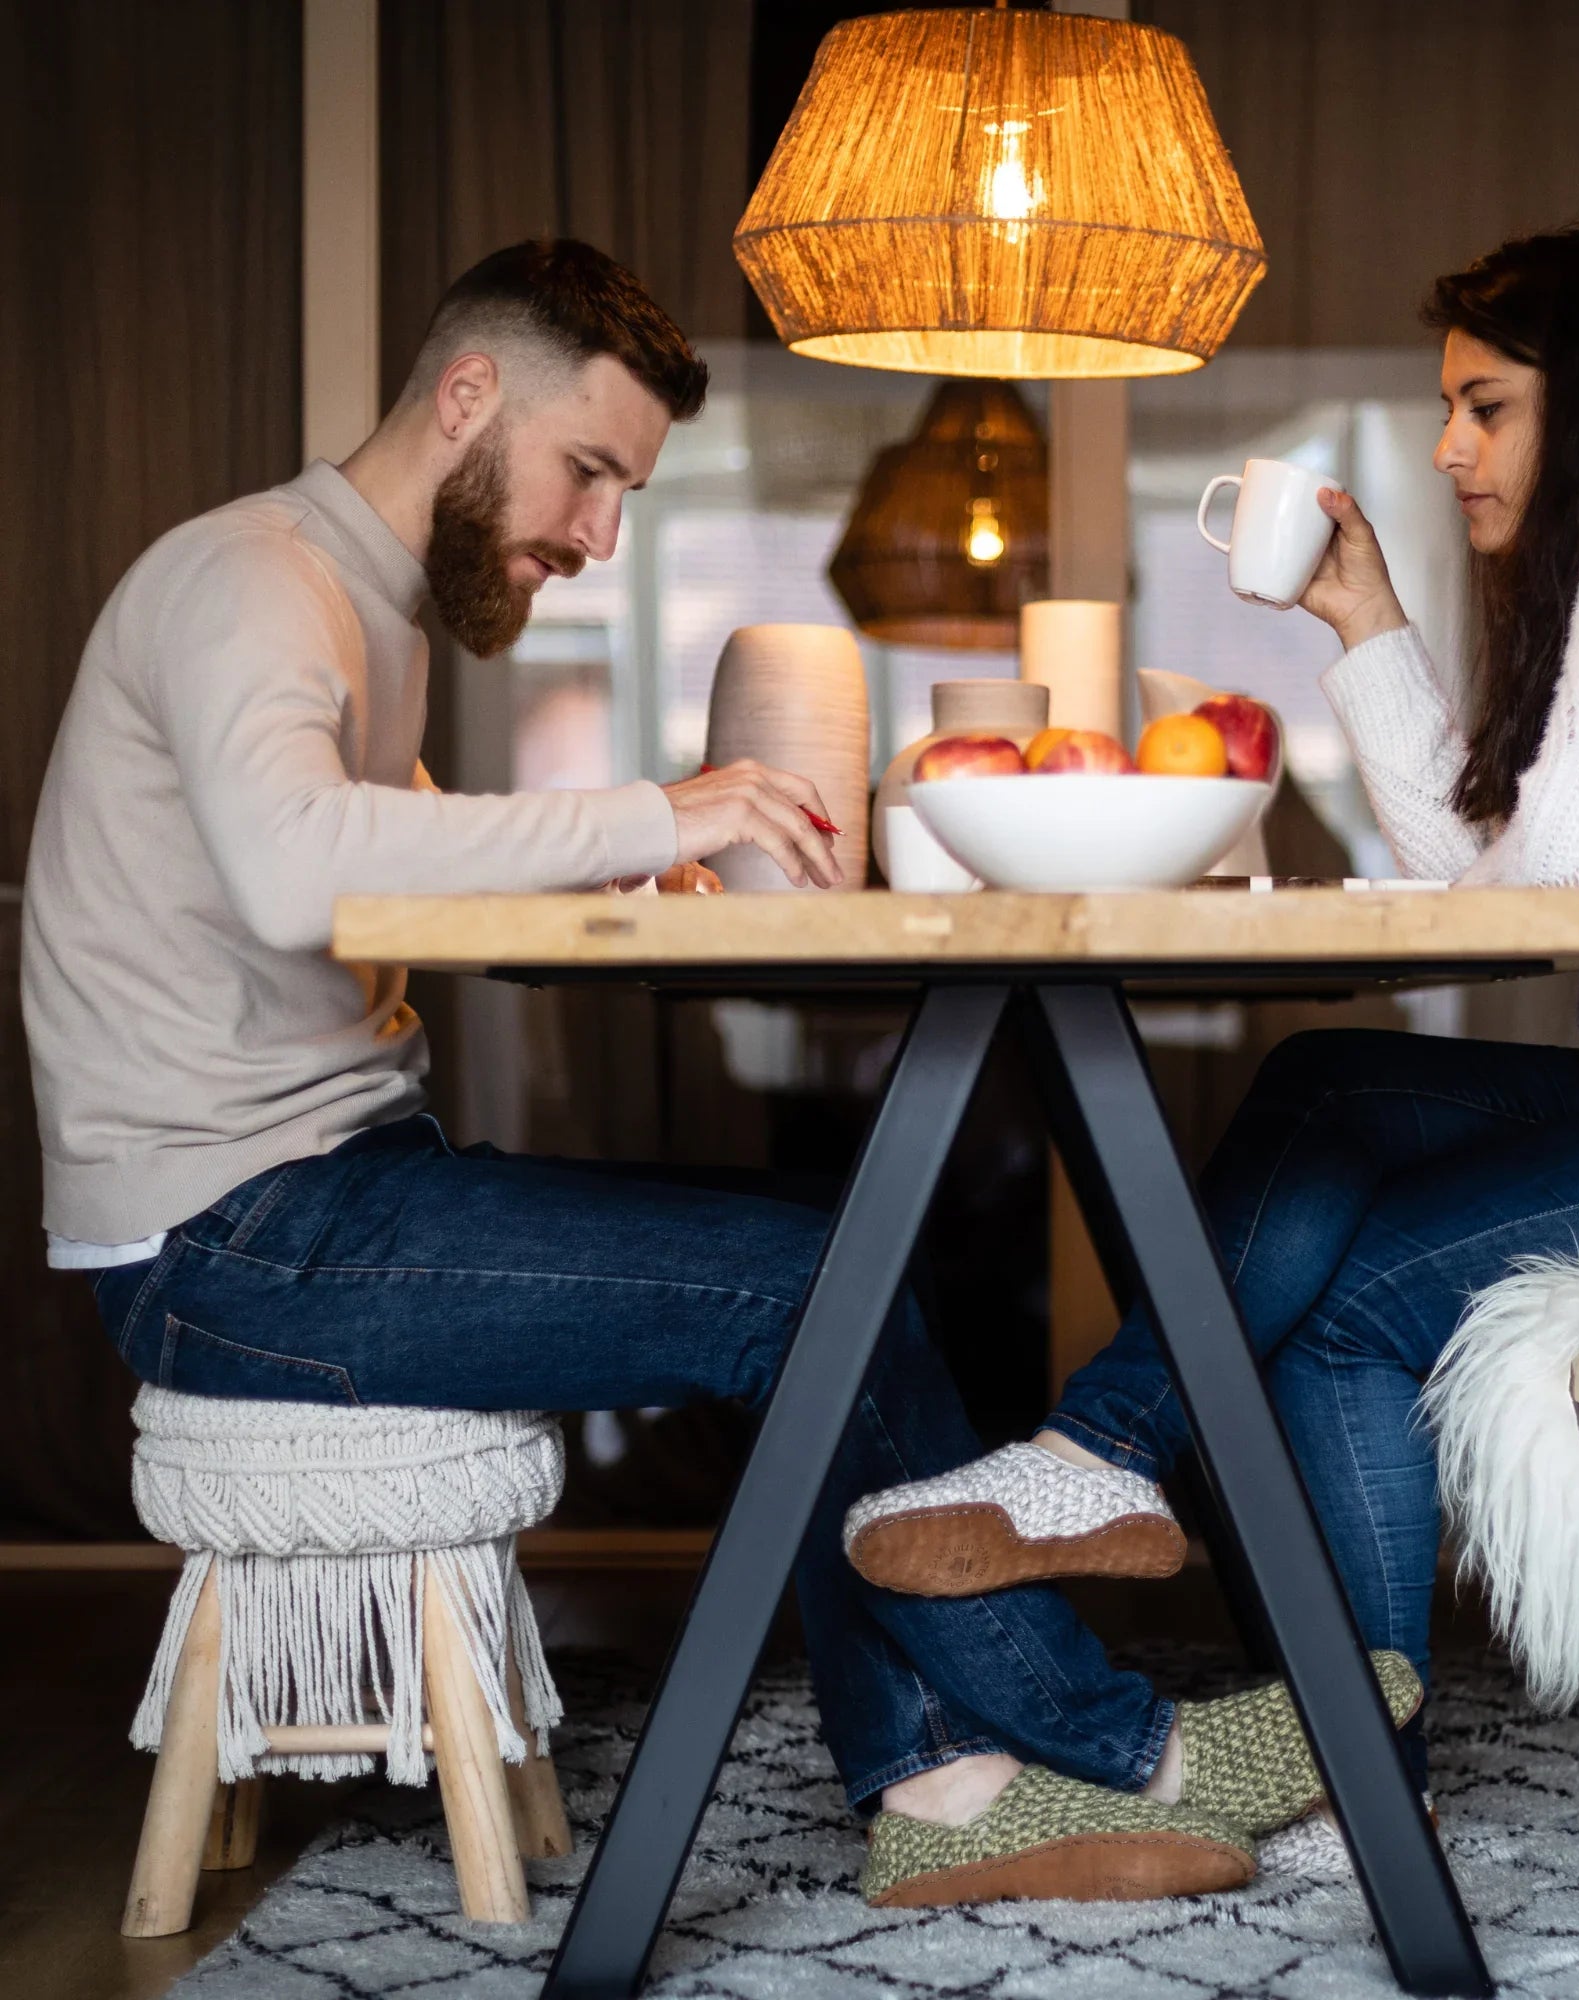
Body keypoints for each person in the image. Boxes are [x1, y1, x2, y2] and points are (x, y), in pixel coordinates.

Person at [24, 236, 1325, 1908]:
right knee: (812, 1283)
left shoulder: (356, 603)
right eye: (589, 473)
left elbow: (386, 857)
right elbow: (298, 872)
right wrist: (671, 807)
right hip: (229, 1245)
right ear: (468, 393)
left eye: (623, 492)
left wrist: (629, 869)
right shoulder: (250, 582)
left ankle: (948, 1769)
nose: (597, 533)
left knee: (848, 1229)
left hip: (326, 1195)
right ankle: (1090, 1748)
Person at [843, 226, 1579, 1803]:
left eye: (1487, 407)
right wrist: (1364, 620)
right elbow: (1495, 883)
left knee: (1353, 1300)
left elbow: (1559, 881)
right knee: (1325, 1087)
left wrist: (1441, 795)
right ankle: (1097, 1458)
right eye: (1451, 409)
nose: (1451, 447)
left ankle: (1344, 1758)